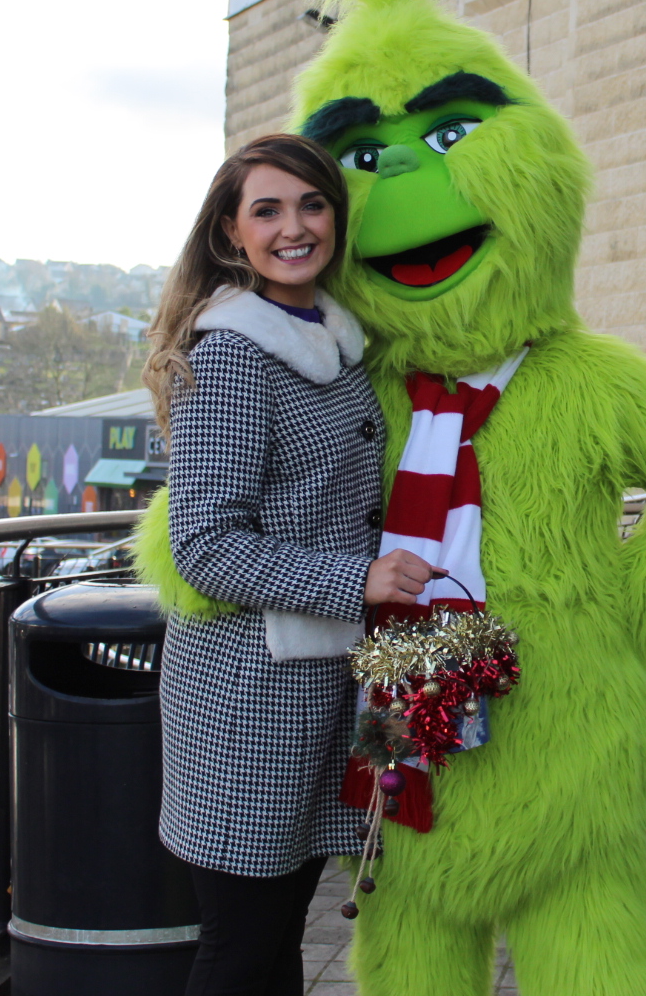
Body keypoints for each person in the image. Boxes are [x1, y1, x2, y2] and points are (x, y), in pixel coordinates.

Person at [140, 133, 439, 996]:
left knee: (275, 947)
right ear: (231, 233)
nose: (294, 227)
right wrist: (358, 580)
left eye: (312, 205)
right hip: (248, 702)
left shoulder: (333, 339)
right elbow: (205, 545)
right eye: (266, 210)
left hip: (319, 689)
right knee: (241, 949)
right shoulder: (234, 354)